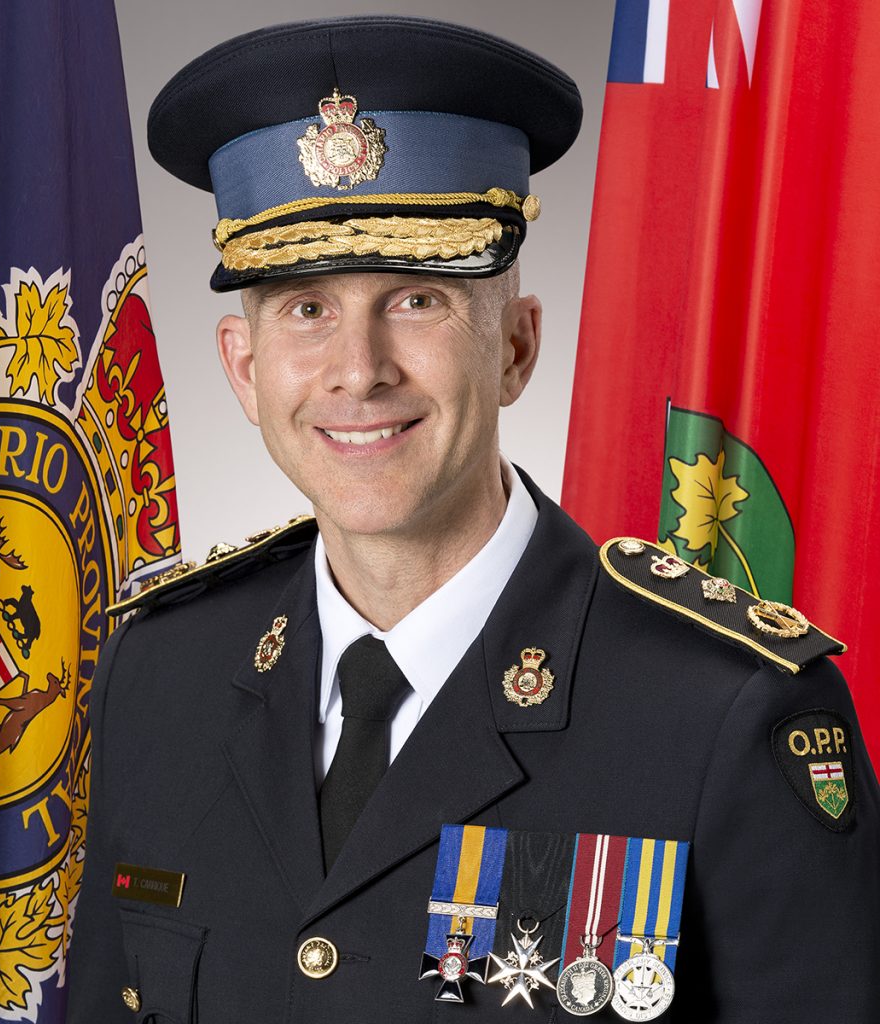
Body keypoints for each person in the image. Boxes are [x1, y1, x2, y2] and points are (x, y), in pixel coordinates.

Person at [68, 15, 880, 1023]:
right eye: (306, 308)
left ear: (514, 348)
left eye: (416, 300)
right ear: (243, 365)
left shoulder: (723, 714)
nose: (358, 370)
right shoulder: (160, 678)